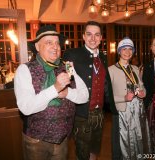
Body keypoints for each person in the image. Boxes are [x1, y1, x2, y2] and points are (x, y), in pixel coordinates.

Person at [14, 25, 89, 160]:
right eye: (49, 43)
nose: (55, 47)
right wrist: (55, 88)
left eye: (57, 43)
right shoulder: (24, 70)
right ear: (37, 47)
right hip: (36, 142)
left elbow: (84, 96)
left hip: (63, 140)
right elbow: (26, 107)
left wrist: (67, 93)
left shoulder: (67, 66)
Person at [63, 21, 118, 160]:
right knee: (82, 153)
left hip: (100, 114)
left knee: (95, 149)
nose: (93, 38)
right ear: (83, 36)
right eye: (89, 34)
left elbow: (105, 84)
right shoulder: (72, 54)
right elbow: (67, 81)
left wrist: (110, 105)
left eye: (97, 35)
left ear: (101, 38)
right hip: (81, 113)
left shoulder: (103, 57)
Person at [108, 37, 151, 159]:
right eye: (124, 49)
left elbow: (142, 87)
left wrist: (144, 93)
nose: (127, 52)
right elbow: (108, 96)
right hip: (123, 113)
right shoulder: (111, 70)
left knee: (139, 138)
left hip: (138, 111)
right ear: (119, 51)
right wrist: (124, 97)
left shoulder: (136, 69)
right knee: (125, 142)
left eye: (130, 49)